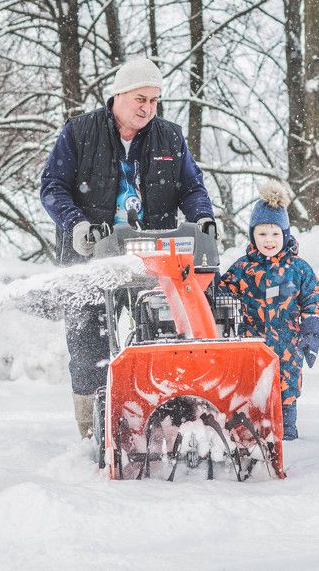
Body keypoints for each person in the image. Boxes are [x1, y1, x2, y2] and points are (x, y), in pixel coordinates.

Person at [40, 58, 217, 437]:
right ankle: (93, 429)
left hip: (152, 259)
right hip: (91, 259)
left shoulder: (169, 138)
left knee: (160, 336)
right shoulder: (79, 132)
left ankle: (161, 420)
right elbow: (52, 186)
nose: (148, 108)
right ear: (118, 94)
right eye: (141, 98)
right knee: (89, 345)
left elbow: (191, 187)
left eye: (154, 100)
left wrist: (202, 216)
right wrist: (77, 224)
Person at [217, 182, 319, 441]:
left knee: (286, 391)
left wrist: (310, 335)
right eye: (262, 233)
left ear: (285, 234)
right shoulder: (242, 268)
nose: (269, 240)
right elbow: (221, 295)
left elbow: (313, 302)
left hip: (288, 346)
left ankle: (287, 434)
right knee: (252, 390)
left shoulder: (299, 269)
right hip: (252, 346)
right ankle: (252, 435)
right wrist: (209, 278)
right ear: (252, 235)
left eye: (275, 233)